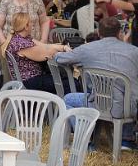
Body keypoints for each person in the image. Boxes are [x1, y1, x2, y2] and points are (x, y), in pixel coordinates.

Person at [57, 16, 138, 151]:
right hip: (130, 108)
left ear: (99, 33)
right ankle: (126, 140)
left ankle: (84, 136)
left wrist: (60, 51)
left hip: (97, 103)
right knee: (126, 91)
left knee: (67, 99)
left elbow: (60, 59)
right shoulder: (134, 51)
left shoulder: (87, 49)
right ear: (120, 33)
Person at [3, 13, 70, 92]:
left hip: (30, 79)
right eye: (30, 23)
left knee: (65, 79)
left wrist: (63, 47)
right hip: (30, 82)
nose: (32, 25)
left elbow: (45, 46)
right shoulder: (21, 44)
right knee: (70, 83)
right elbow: (48, 53)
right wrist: (63, 49)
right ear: (26, 26)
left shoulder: (21, 39)